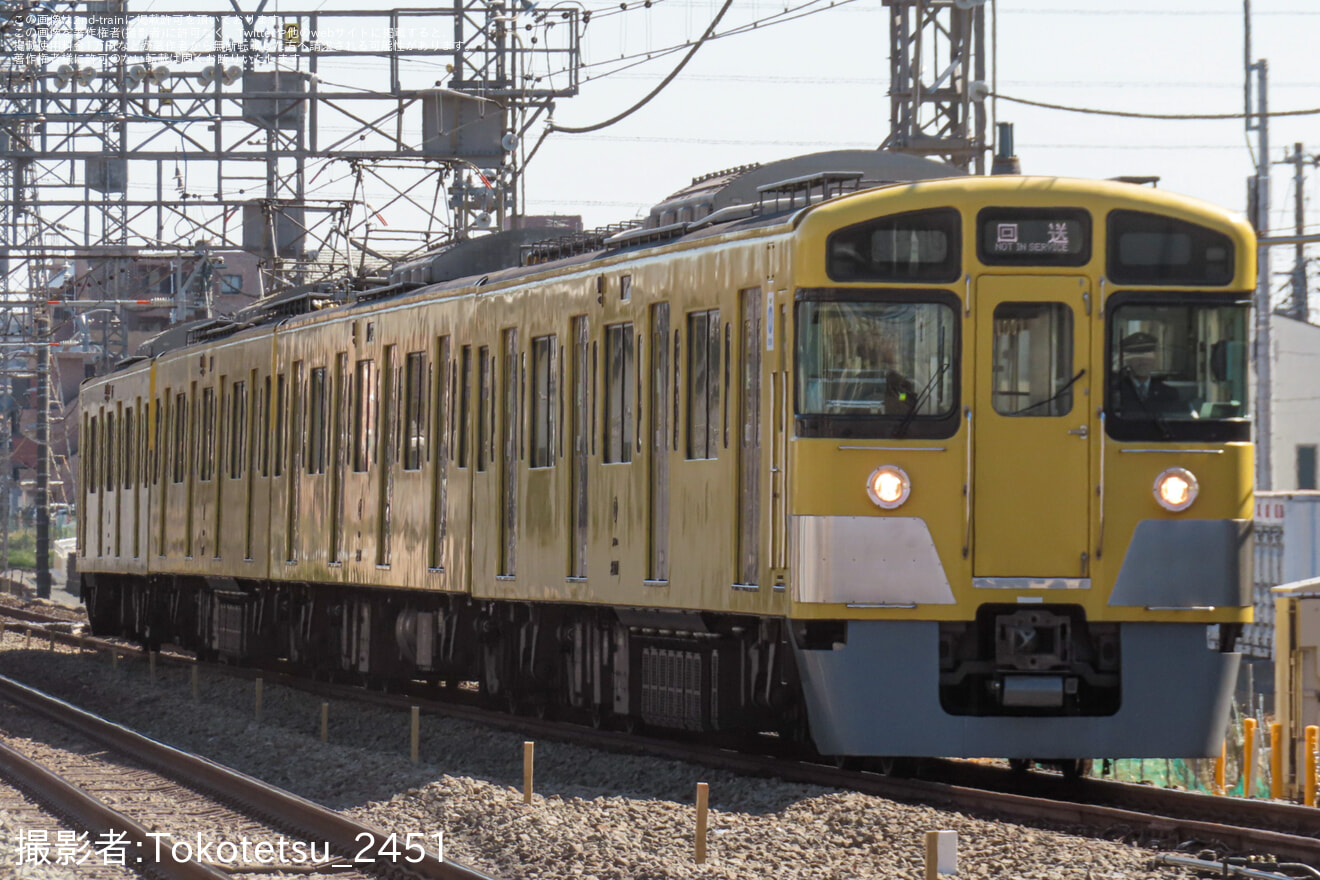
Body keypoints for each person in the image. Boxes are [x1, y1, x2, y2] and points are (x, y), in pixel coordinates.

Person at [1115, 331, 1183, 416]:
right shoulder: (1116, 392)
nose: (1143, 361)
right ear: (1128, 360)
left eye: (1147, 356)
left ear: (1154, 360)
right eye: (1137, 356)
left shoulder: (1169, 394)